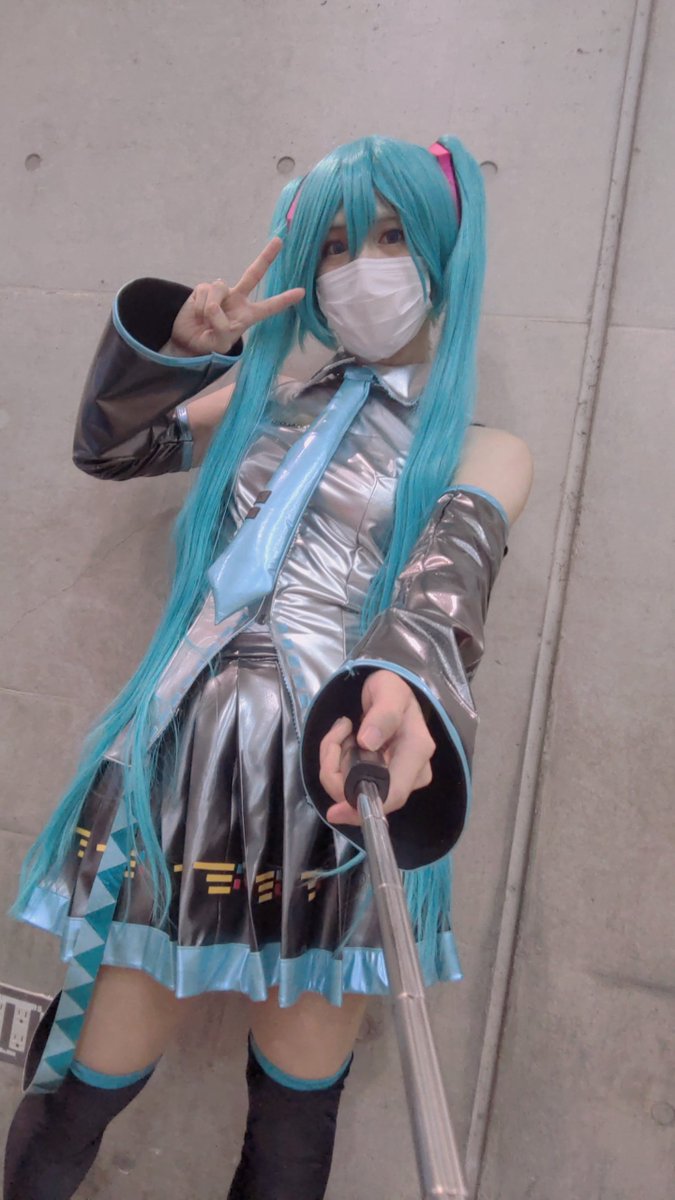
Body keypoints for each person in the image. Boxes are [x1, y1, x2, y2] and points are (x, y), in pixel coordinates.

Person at [4, 134, 533, 1199]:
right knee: (85, 1084)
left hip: (334, 782)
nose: (360, 267)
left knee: (293, 1119)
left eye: (391, 237)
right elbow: (113, 447)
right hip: (184, 767)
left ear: (444, 249)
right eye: (333, 244)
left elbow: (443, 593)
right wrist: (185, 349)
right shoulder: (263, 401)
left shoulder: (483, 448)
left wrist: (399, 689)